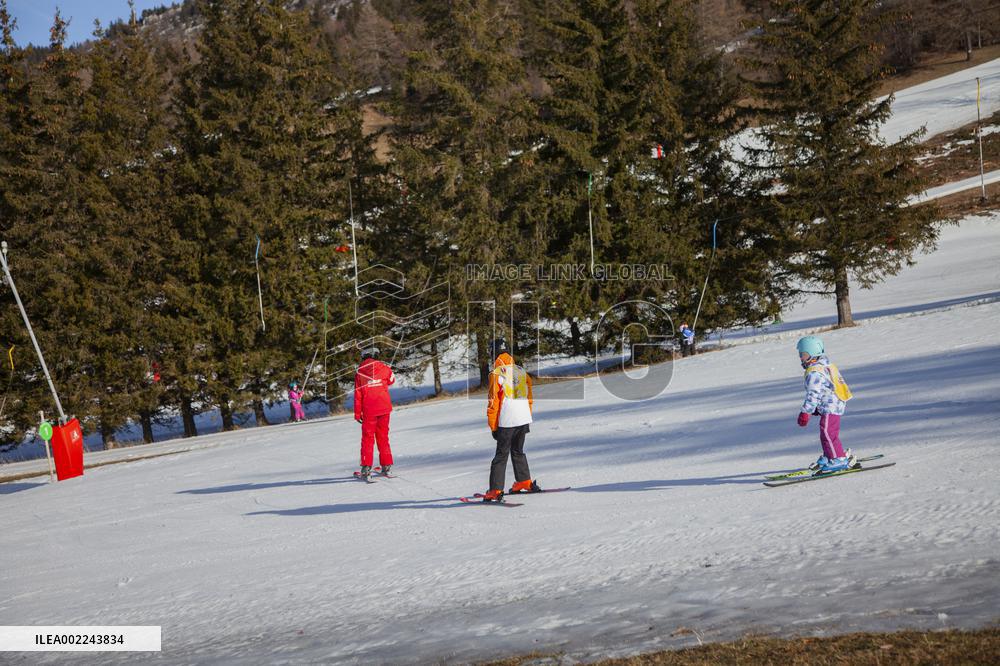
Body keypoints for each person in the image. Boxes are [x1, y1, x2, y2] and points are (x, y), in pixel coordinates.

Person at [482, 339, 541, 502]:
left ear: (493, 353)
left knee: (501, 455)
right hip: (523, 418)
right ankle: (524, 481)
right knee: (518, 450)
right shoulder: (521, 371)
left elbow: (494, 402)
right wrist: (527, 417)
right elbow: (529, 396)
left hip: (507, 420)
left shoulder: (496, 374)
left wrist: (493, 426)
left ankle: (495, 490)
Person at [796, 336, 856, 474]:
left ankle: (838, 459)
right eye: (800, 355)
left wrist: (806, 412)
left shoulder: (814, 372)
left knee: (828, 433)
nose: (801, 358)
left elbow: (813, 394)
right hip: (833, 402)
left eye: (803, 355)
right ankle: (830, 455)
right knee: (826, 432)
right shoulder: (825, 364)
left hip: (831, 405)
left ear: (813, 354)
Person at [354, 347, 395, 480]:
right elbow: (391, 380)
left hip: (369, 410)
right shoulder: (384, 368)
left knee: (368, 439)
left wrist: (357, 413)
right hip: (384, 408)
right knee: (383, 437)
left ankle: (366, 468)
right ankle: (386, 466)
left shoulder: (360, 372)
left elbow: (358, 394)